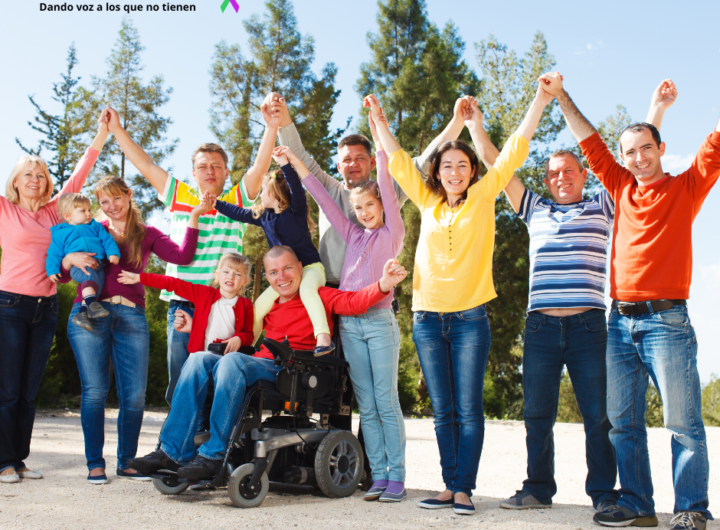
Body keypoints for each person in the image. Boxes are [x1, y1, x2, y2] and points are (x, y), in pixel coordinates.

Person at [541, 73, 719, 530]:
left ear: (661, 149)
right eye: (630, 152)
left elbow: (715, 144)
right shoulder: (619, 188)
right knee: (622, 422)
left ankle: (692, 509)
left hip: (667, 322)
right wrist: (560, 95)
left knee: (682, 423)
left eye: (646, 149)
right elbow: (589, 140)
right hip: (619, 323)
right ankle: (639, 504)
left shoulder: (686, 187)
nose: (638, 158)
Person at [367, 83, 551, 515]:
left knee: (468, 409)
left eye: (462, 165)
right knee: (443, 410)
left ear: (472, 171)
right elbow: (396, 159)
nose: (454, 171)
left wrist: (540, 100)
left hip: (469, 320)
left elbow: (514, 150)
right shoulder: (427, 199)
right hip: (428, 319)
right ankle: (449, 486)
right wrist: (377, 118)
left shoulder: (484, 196)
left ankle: (464, 489)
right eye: (446, 165)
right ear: (438, 171)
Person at [497, 80, 677, 513]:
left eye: (570, 171)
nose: (562, 177)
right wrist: (492, 120)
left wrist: (655, 110)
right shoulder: (533, 208)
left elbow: (634, 162)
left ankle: (603, 494)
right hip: (540, 326)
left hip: (589, 326)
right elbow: (497, 165)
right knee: (536, 415)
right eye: (554, 173)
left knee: (599, 416)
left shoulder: (602, 203)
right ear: (546, 180)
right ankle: (538, 487)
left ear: (583, 175)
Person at [128, 246, 408, 481]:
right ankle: (171, 451)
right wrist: (194, 330)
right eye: (273, 272)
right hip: (257, 364)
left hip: (294, 370)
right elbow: (238, 331)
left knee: (233, 363)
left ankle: (213, 456)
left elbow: (355, 302)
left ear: (300, 267)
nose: (281, 277)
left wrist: (384, 283)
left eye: (287, 269)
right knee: (199, 358)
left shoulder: (319, 296)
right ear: (267, 276)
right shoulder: (267, 304)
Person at [275, 110, 407, 503]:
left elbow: (384, 176)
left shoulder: (391, 230)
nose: (365, 213)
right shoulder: (351, 232)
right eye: (359, 208)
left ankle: (396, 477)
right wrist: (294, 161)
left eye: (371, 206)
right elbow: (316, 190)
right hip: (349, 324)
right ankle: (378, 475)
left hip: (379, 322)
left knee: (385, 402)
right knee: (365, 402)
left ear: (382, 206)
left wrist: (378, 135)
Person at [105, 104, 278, 403]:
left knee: (217, 377)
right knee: (181, 377)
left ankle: (209, 444)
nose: (209, 171)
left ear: (226, 172)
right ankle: (173, 446)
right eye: (202, 166)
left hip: (221, 305)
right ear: (193, 173)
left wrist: (271, 127)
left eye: (216, 166)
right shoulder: (179, 196)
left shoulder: (235, 200)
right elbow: (145, 165)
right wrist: (117, 130)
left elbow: (259, 168)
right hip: (183, 303)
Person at [60, 176, 209, 484]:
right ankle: (94, 464)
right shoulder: (92, 230)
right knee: (95, 392)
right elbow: (64, 274)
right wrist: (67, 257)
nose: (111, 206)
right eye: (104, 202)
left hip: (131, 317)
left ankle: (127, 462)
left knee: (135, 396)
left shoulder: (148, 234)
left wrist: (193, 217)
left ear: (128, 196)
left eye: (116, 198)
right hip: (90, 314)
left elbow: (183, 256)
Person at [0, 111, 109, 484]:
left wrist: (100, 135)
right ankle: (3, 462)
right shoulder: (4, 210)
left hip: (45, 307)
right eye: (27, 173)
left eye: (40, 174)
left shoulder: (55, 213)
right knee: (9, 389)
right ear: (15, 181)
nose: (35, 179)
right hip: (9, 305)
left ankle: (19, 459)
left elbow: (80, 173)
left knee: (28, 392)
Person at [264, 92, 472, 288]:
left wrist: (457, 122)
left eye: (359, 158)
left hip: (374, 289)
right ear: (338, 166)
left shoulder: (387, 192)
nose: (353, 164)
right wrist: (281, 116)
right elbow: (299, 157)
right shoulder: (329, 189)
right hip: (330, 287)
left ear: (372, 162)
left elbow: (424, 164)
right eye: (346, 160)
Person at [212, 152, 333, 356]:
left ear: (275, 193)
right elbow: (238, 213)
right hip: (284, 276)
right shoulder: (263, 217)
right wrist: (216, 204)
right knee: (259, 305)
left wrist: (285, 164)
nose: (260, 194)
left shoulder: (296, 211)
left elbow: (296, 187)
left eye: (263, 190)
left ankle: (323, 337)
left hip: (311, 268)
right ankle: (245, 343)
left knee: (307, 291)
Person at [118, 252, 254, 355]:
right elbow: (172, 283)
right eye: (226, 272)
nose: (230, 277)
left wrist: (239, 338)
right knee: (191, 379)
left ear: (245, 281)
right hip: (200, 357)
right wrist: (140, 277)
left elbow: (249, 335)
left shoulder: (246, 304)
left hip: (227, 360)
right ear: (217, 275)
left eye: (237, 274)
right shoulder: (204, 294)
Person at [47, 192, 121, 330]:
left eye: (89, 210)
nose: (88, 213)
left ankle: (82, 314)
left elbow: (107, 240)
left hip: (98, 264)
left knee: (96, 287)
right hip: (79, 266)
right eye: (82, 211)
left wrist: (113, 253)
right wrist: (52, 270)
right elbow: (54, 253)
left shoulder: (96, 226)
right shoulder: (61, 233)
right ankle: (92, 306)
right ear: (67, 216)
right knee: (90, 278)